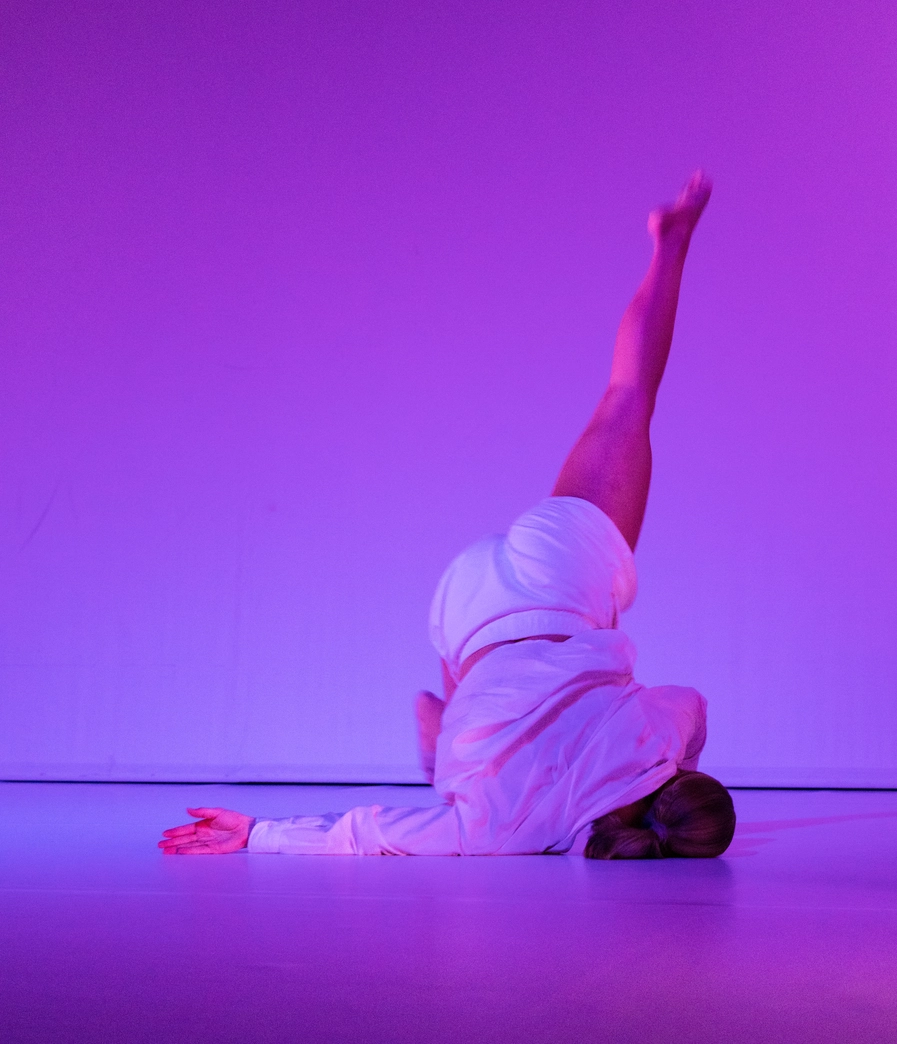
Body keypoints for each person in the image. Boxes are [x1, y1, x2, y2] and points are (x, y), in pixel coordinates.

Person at [160, 171, 735, 860]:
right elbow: (369, 831)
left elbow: (692, 704)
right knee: (468, 755)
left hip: (557, 577)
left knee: (628, 396)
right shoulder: (509, 833)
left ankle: (672, 243)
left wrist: (673, 764)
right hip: (463, 612)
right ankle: (449, 744)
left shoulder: (657, 739)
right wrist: (258, 834)